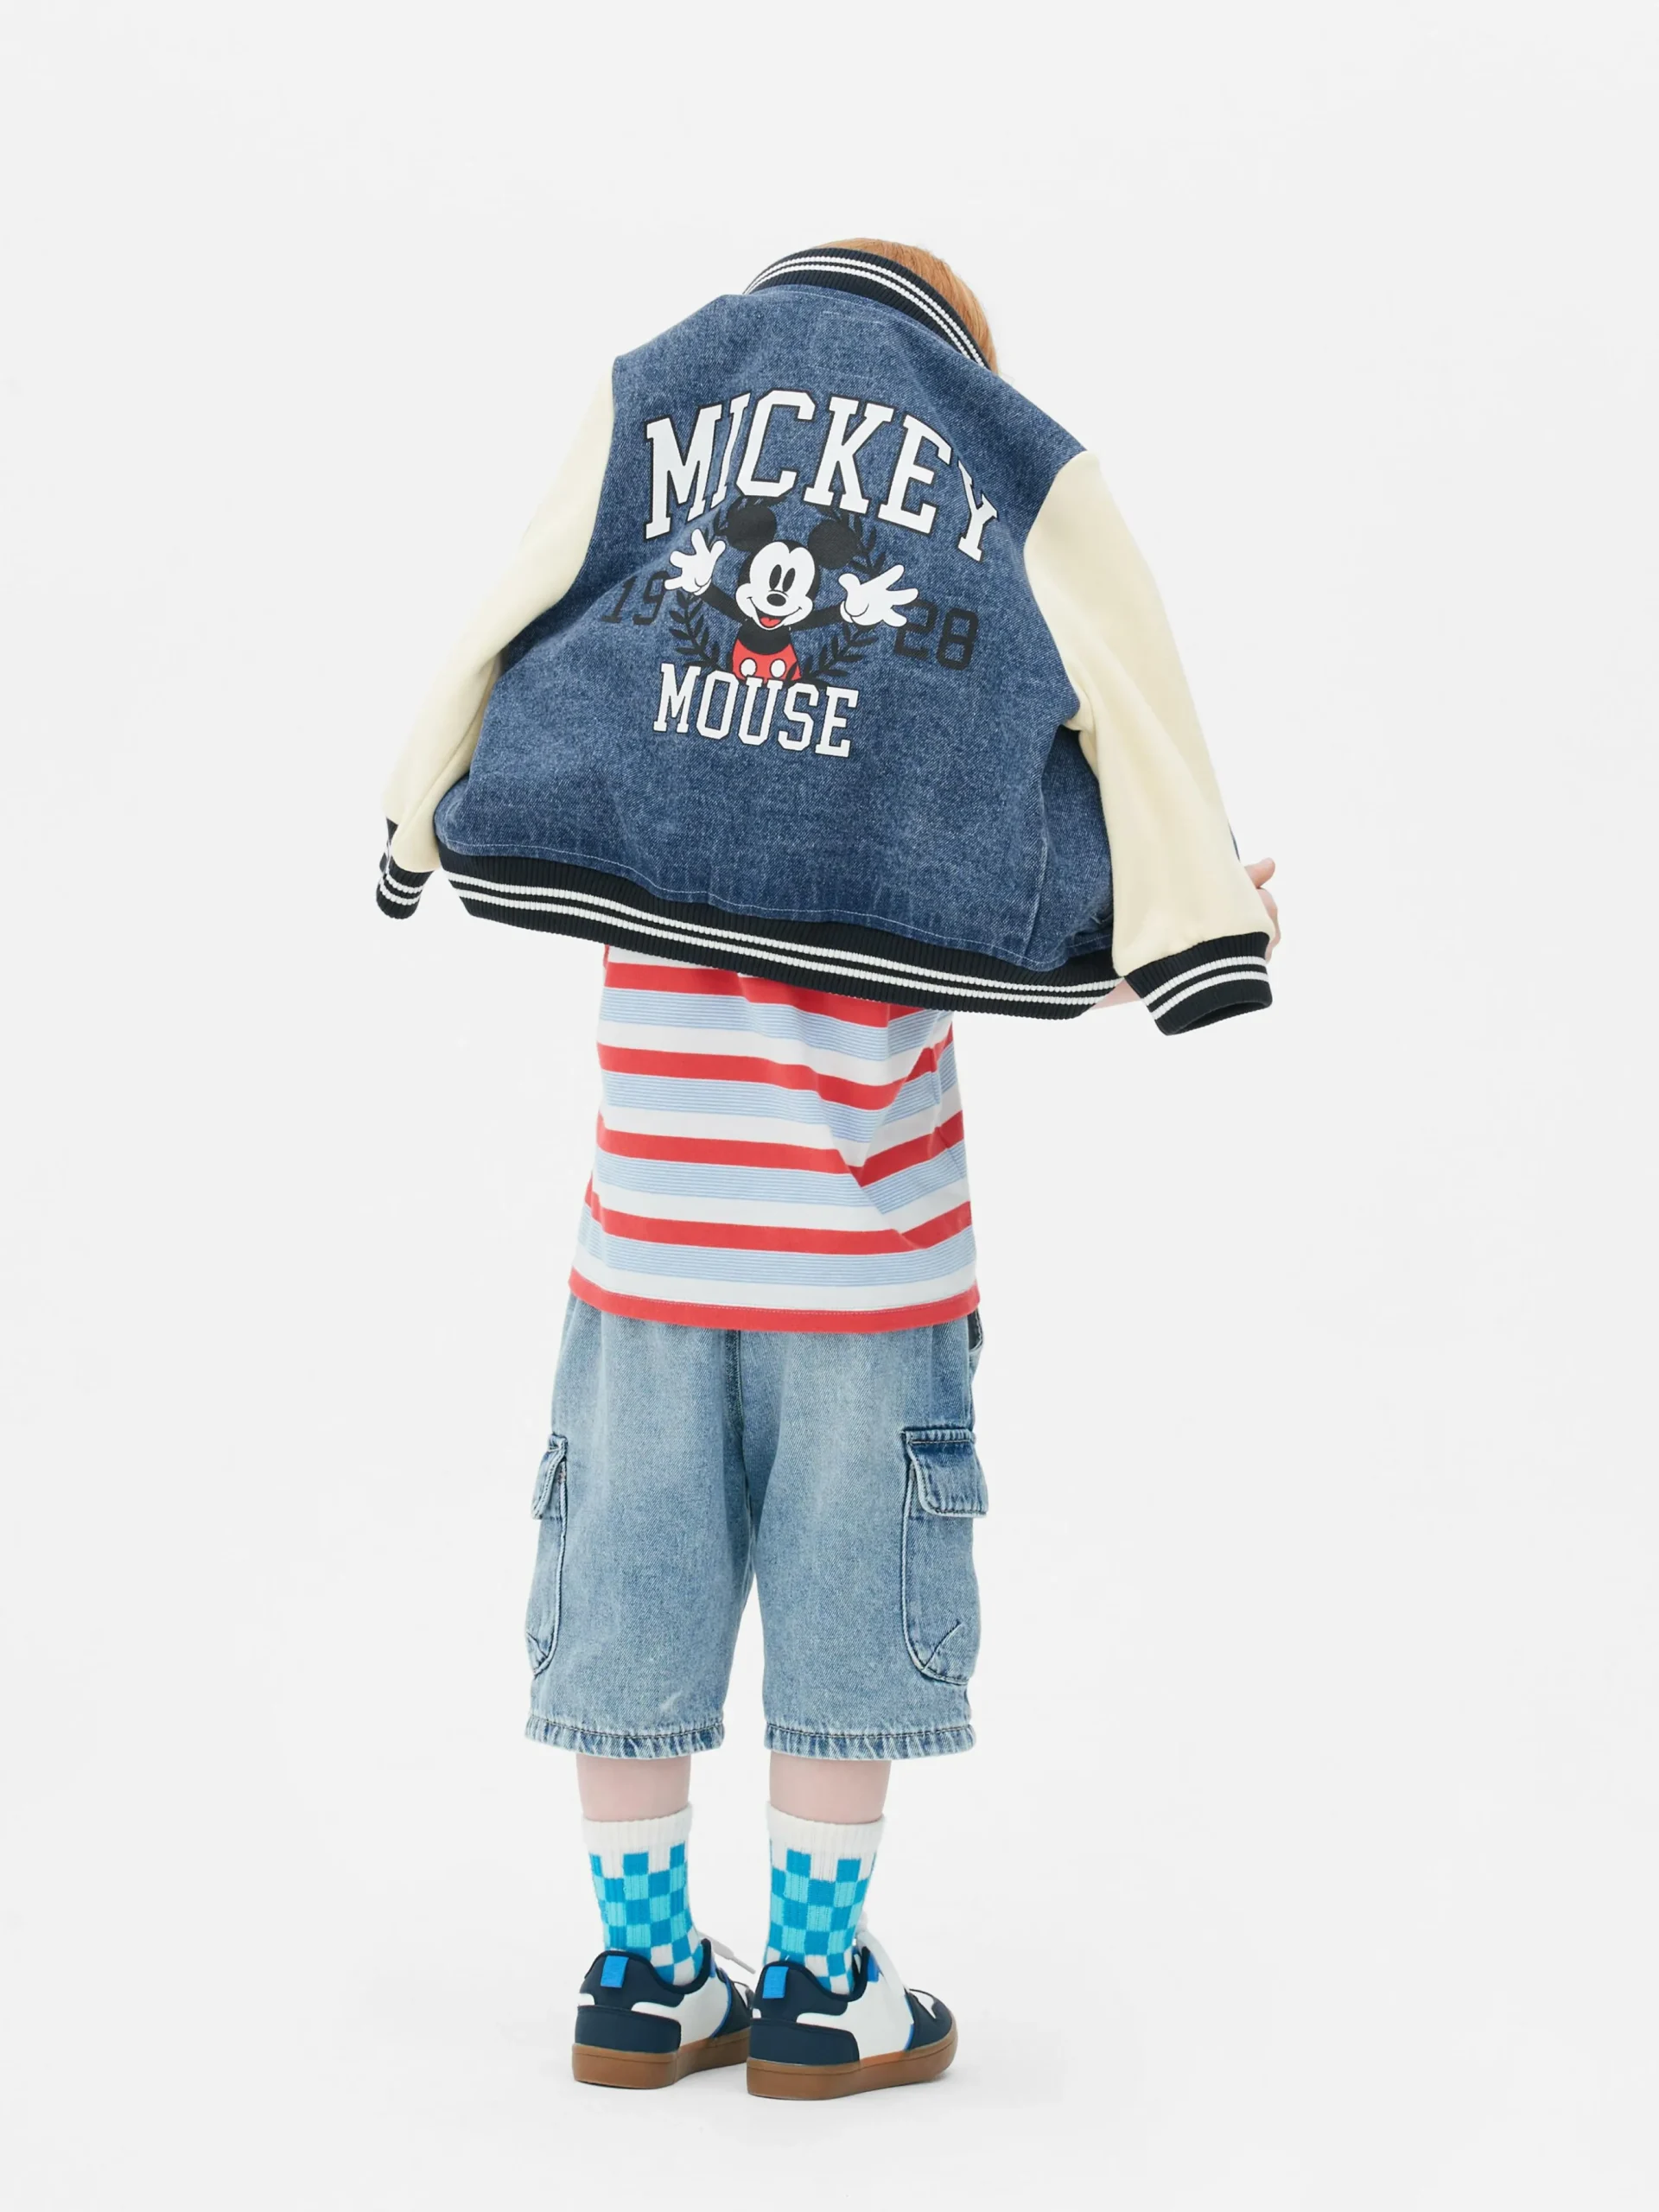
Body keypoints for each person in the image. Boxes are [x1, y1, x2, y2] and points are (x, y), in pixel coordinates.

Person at [376, 239, 1279, 2098]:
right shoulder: (938, 702)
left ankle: (643, 1979)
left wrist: (408, 821)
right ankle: (819, 1984)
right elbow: (1098, 748)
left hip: (646, 1255)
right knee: (848, 1632)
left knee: (630, 1604)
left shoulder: (644, 647)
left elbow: (508, 597)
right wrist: (1194, 916)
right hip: (870, 1277)